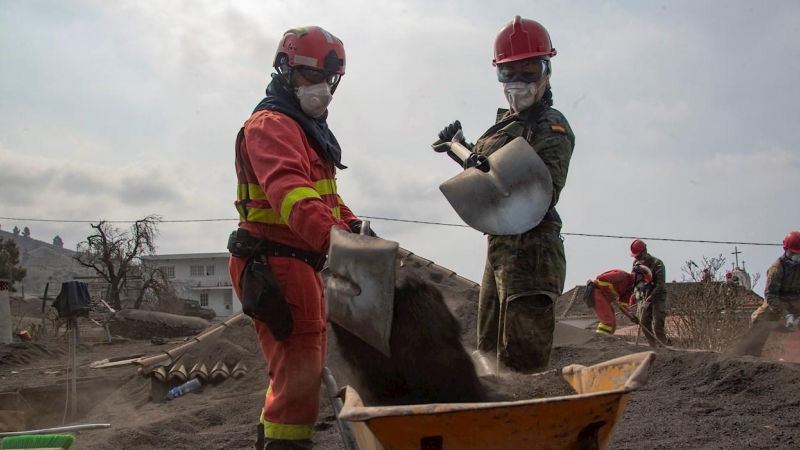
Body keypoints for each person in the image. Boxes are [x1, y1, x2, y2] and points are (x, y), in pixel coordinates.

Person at [227, 26, 364, 450]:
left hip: (295, 264)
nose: (320, 88)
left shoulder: (304, 129)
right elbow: (292, 195)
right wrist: (339, 244)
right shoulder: (272, 124)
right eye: (309, 76)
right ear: (285, 71)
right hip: (277, 264)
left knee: (293, 375)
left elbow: (326, 199)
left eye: (327, 79)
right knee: (300, 381)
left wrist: (356, 230)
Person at [438, 16, 575, 373]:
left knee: (522, 363)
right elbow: (488, 180)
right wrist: (460, 149)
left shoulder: (551, 125)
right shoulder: (503, 126)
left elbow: (538, 193)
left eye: (529, 70)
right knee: (489, 357)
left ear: (546, 71)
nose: (519, 82)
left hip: (532, 249)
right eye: (509, 73)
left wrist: (474, 159)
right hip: (499, 247)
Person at [751, 231, 800, 328]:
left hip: (797, 301)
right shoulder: (777, 268)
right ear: (786, 249)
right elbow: (770, 296)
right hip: (779, 301)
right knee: (758, 319)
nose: (796, 256)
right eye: (793, 253)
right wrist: (786, 314)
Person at [586, 265, 653, 335]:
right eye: (643, 282)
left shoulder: (628, 289)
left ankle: (605, 342)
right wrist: (609, 292)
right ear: (639, 276)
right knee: (608, 322)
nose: (642, 285)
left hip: (604, 296)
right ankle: (599, 341)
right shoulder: (621, 275)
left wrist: (632, 316)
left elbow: (623, 306)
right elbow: (601, 279)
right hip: (597, 292)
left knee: (613, 326)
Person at [630, 239, 668, 347]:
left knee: (658, 324)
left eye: (638, 256)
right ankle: (652, 344)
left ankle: (663, 346)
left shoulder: (658, 264)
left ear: (644, 252)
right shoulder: (636, 264)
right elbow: (634, 280)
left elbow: (660, 285)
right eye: (635, 257)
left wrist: (650, 299)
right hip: (643, 295)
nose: (637, 259)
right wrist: (635, 293)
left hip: (657, 296)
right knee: (643, 323)